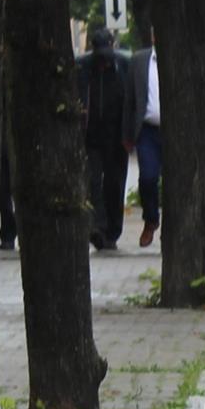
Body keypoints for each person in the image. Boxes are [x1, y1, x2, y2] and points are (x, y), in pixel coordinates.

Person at [79, 24, 133, 251]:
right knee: (92, 182)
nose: (103, 62)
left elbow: (131, 101)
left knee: (114, 183)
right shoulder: (82, 67)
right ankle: (97, 228)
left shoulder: (123, 66)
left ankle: (113, 230)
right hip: (91, 137)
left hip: (116, 136)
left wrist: (129, 134)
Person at [134, 46, 164, 247]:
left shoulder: (183, 56)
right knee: (147, 177)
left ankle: (174, 228)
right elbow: (131, 97)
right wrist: (128, 133)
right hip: (147, 130)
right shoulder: (139, 61)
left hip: (176, 130)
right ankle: (151, 219)